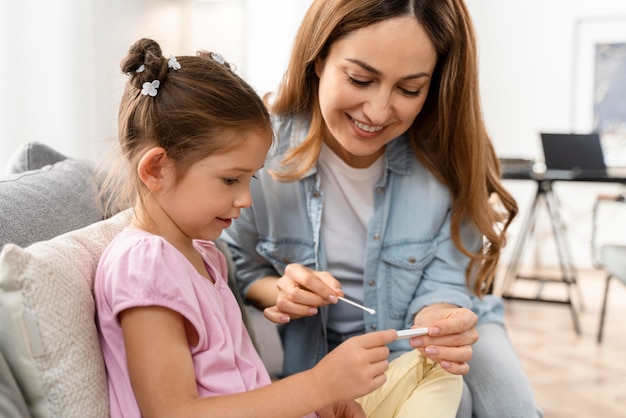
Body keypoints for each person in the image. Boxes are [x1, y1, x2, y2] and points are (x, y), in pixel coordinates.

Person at [94, 38, 462, 418]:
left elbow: (242, 382)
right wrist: (317, 386)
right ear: (156, 169)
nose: (246, 200)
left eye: (250, 179)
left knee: (432, 366)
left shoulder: (201, 253)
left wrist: (321, 400)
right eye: (230, 180)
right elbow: (172, 412)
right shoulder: (145, 263)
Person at [221, 1, 543, 417]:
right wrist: (282, 290)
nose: (376, 111)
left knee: (509, 410)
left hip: (421, 335)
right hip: (325, 352)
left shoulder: (450, 156)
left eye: (409, 89)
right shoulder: (260, 151)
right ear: (319, 59)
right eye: (359, 78)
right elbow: (242, 269)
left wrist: (440, 321)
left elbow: (446, 284)